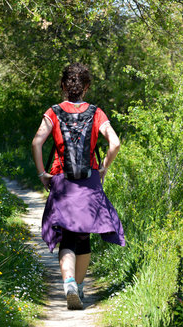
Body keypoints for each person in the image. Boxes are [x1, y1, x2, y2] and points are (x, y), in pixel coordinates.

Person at [31, 63, 125, 310]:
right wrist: (103, 167)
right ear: (86, 87)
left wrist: (43, 173)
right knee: (83, 236)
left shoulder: (53, 112)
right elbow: (114, 143)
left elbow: (36, 142)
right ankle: (78, 287)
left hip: (62, 181)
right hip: (90, 181)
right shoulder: (96, 113)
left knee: (69, 237)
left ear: (63, 86)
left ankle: (71, 283)